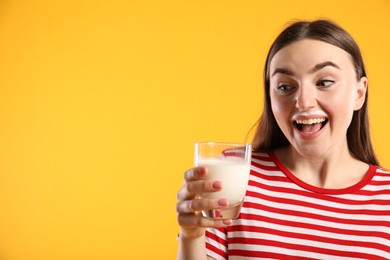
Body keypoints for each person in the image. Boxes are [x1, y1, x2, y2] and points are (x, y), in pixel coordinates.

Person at [176, 19, 390, 259]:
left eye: (324, 82)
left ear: (359, 94)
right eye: (285, 87)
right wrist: (191, 235)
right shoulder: (236, 175)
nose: (303, 101)